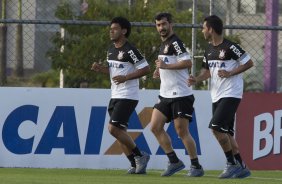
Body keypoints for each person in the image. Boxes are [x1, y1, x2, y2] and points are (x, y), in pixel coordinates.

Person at [188, 15, 253, 179]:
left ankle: (231, 164)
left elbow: (249, 63)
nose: (202, 30)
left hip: (231, 93)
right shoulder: (209, 49)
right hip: (216, 95)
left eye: (203, 27)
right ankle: (241, 166)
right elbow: (207, 72)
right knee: (227, 133)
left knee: (216, 128)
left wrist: (230, 72)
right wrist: (196, 78)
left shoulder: (231, 46)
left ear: (210, 29)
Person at [91, 16, 150, 174]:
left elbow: (145, 69)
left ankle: (139, 155)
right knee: (119, 132)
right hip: (115, 95)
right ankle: (134, 164)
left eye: (115, 28)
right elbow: (113, 72)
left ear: (124, 31)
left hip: (128, 95)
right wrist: (101, 69)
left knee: (113, 129)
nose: (111, 31)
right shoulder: (111, 49)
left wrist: (126, 77)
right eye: (110, 29)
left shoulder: (130, 50)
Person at [150, 12, 204, 177]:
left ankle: (196, 166)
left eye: (164, 24)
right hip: (165, 95)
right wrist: (158, 69)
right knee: (155, 127)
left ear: (170, 24)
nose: (161, 28)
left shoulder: (176, 42)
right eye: (158, 25)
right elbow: (167, 63)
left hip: (181, 94)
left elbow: (187, 62)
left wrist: (165, 66)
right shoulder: (164, 43)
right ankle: (174, 161)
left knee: (182, 132)